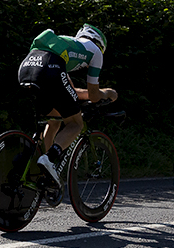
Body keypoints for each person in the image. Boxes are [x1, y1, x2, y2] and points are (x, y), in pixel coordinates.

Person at [17, 24, 118, 185]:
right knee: (76, 124)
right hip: (50, 66)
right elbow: (93, 94)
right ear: (100, 44)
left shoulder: (67, 47)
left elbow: (72, 92)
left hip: (27, 67)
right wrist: (108, 93)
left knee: (54, 119)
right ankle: (49, 159)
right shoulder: (95, 51)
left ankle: (46, 173)